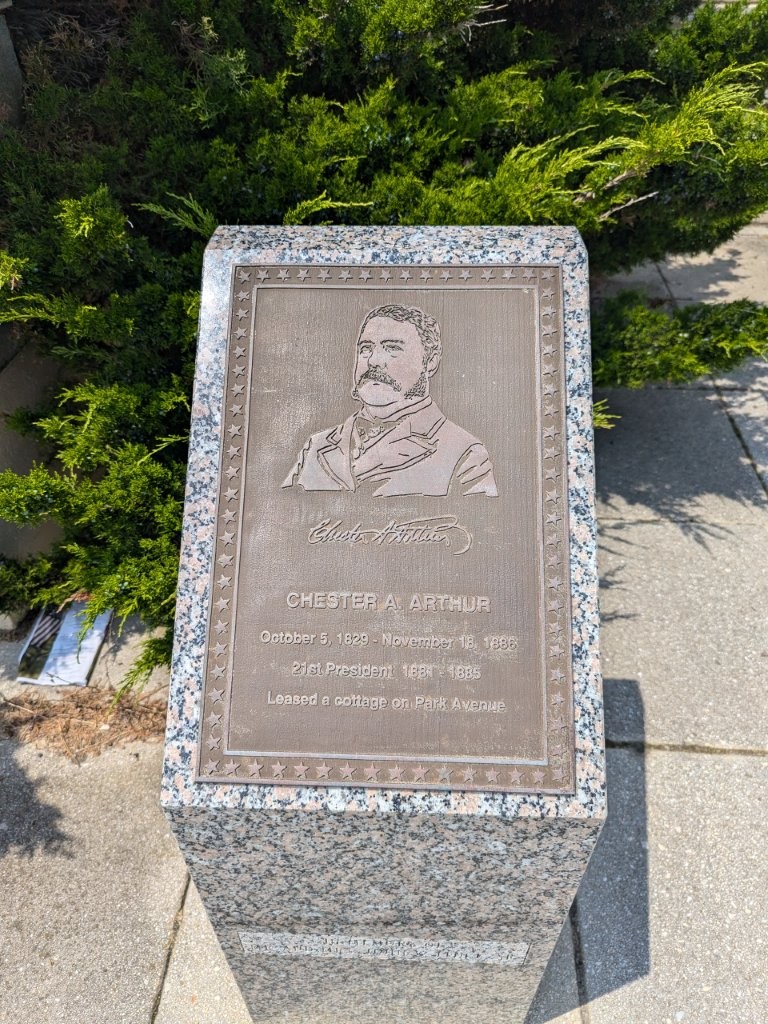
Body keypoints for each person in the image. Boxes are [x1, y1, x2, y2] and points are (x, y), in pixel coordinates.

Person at [282, 304, 498, 497]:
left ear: (430, 362)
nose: (374, 361)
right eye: (366, 349)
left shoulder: (465, 452)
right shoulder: (316, 445)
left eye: (392, 348)